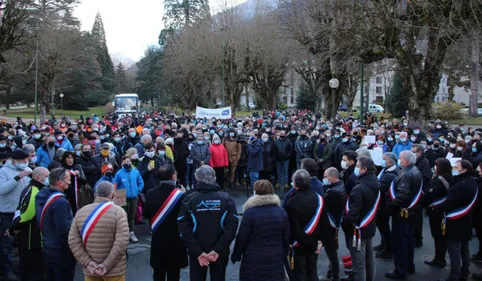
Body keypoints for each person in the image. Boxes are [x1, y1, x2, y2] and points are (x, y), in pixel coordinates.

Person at [178, 165, 238, 281]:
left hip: (198, 252)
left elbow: (183, 228)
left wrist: (198, 252)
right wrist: (217, 250)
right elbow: (232, 228)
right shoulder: (226, 199)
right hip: (219, 251)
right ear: (214, 178)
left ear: (197, 179)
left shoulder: (189, 199)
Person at [68, 181, 129, 281]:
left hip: (91, 270)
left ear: (95, 194)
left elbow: (73, 241)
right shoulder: (118, 212)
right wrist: (106, 265)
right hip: (114, 270)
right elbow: (122, 242)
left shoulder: (80, 212)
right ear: (113, 195)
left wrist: (87, 262)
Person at [231, 180, 289, 281]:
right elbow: (286, 236)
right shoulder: (281, 212)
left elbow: (242, 237)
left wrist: (236, 255)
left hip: (253, 259)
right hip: (275, 256)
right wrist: (283, 253)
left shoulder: (249, 213)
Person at [143, 165, 188, 281]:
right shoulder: (180, 195)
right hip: (175, 240)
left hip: (158, 240)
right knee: (174, 274)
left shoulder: (150, 193)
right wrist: (184, 194)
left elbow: (146, 214)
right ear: (174, 176)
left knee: (158, 274)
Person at [341, 157, 381, 281]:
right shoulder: (375, 182)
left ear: (364, 169)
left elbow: (353, 213)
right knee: (369, 260)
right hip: (369, 226)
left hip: (357, 231)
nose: (356, 169)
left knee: (359, 265)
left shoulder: (359, 188)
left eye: (358, 166)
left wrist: (345, 224)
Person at [385, 151, 422, 280]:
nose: (399, 160)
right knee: (407, 240)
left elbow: (402, 196)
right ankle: (408, 265)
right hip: (409, 212)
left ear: (405, 160)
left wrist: (391, 206)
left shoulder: (407, 173)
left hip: (401, 212)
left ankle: (400, 271)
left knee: (400, 242)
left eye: (400, 158)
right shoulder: (414, 170)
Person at [438, 160, 478, 281]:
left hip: (456, 220)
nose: (454, 168)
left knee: (454, 250)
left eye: (456, 167)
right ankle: (464, 272)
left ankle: (454, 276)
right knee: (464, 248)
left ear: (464, 169)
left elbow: (451, 201)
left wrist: (439, 209)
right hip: (465, 219)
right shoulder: (471, 182)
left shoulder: (462, 184)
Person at [35, 168, 76, 281]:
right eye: (68, 180)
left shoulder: (43, 195)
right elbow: (63, 230)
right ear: (60, 182)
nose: (70, 183)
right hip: (60, 251)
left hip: (48, 246)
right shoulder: (60, 202)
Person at [10, 167, 49, 281]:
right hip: (31, 238)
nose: (48, 179)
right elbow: (27, 215)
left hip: (34, 236)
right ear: (38, 177)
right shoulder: (33, 191)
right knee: (33, 269)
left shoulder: (36, 189)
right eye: (46, 177)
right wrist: (13, 229)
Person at [285, 169, 324, 281]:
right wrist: (319, 242)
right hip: (315, 242)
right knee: (312, 271)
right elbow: (323, 222)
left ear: (295, 184)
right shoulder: (318, 198)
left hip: (299, 244)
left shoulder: (292, 202)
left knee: (300, 273)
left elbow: (294, 228)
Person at [0, 150, 32, 281]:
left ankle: (22, 267)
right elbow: (2, 190)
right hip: (8, 213)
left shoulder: (27, 170)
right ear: (13, 161)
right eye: (23, 160)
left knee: (23, 241)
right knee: (6, 243)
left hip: (23, 212)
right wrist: (18, 177)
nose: (26, 162)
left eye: (26, 159)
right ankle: (5, 270)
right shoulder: (3, 172)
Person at [422, 158, 451, 268]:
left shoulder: (439, 180)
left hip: (436, 210)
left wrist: (423, 203)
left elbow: (430, 194)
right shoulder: (449, 177)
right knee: (440, 236)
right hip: (442, 210)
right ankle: (439, 257)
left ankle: (439, 258)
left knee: (438, 235)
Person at [322, 167, 347, 281]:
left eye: (326, 177)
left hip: (329, 226)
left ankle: (335, 276)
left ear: (332, 177)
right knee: (332, 252)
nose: (324, 179)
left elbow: (324, 208)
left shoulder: (332, 192)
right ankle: (330, 272)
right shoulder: (340, 186)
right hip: (335, 224)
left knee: (331, 253)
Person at [113, 156, 145, 243]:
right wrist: (116, 196)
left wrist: (138, 190)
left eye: (128, 161)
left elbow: (141, 182)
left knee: (132, 216)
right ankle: (124, 234)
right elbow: (114, 185)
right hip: (122, 197)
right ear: (122, 163)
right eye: (125, 162)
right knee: (123, 216)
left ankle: (131, 232)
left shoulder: (135, 172)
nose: (127, 163)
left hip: (134, 197)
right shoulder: (119, 174)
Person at [375, 152, 398, 259]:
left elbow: (380, 187)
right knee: (382, 226)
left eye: (384, 159)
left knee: (384, 226)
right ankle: (384, 243)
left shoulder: (390, 174)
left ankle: (388, 249)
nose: (382, 160)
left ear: (390, 161)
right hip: (382, 203)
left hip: (385, 204)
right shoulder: (385, 170)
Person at [411, 144, 433, 248]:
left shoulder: (424, 162)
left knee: (417, 218)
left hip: (419, 192)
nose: (412, 153)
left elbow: (426, 177)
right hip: (414, 192)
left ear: (419, 153)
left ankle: (417, 238)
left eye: (414, 152)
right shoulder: (415, 161)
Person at [61, 151, 89, 215]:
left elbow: (84, 181)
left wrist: (78, 176)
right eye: (68, 158)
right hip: (66, 194)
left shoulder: (77, 167)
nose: (71, 160)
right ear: (65, 159)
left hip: (78, 194)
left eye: (72, 158)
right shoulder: (61, 169)